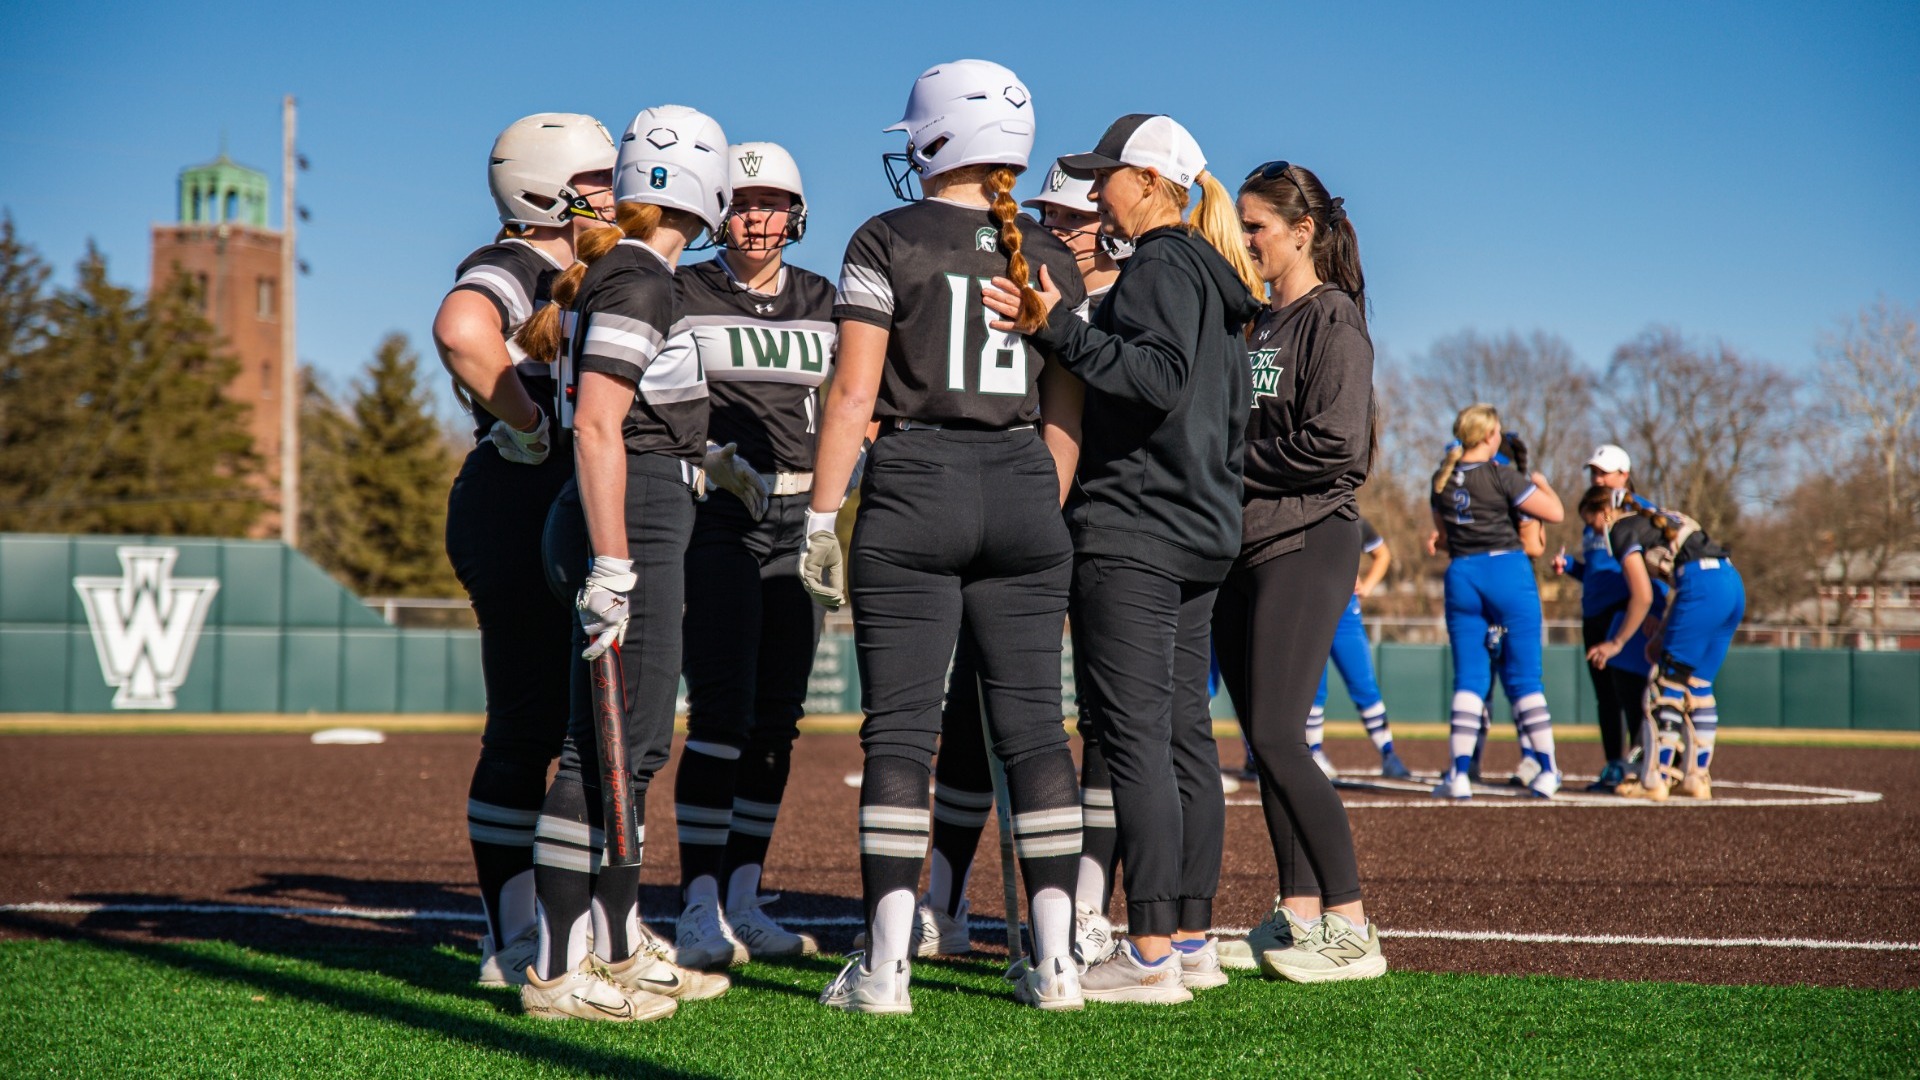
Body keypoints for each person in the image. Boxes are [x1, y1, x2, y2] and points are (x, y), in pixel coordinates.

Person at [801, 59, 1090, 1014]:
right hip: (1020, 485)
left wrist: (818, 511)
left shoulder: (886, 237)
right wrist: (1028, 499)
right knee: (1036, 734)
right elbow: (1065, 412)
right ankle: (1055, 962)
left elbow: (853, 395)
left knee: (900, 733)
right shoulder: (1048, 252)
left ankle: (886, 967)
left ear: (932, 136)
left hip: (915, 485)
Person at [983, 113, 1261, 1002]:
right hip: (1200, 529)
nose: (1097, 191)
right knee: (1184, 740)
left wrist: (1056, 325)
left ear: (1148, 180)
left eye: (1109, 176)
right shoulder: (1216, 275)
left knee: (1138, 739)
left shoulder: (1162, 262)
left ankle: (1146, 953)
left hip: (1137, 530)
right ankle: (1186, 938)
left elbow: (1153, 380)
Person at [511, 104, 736, 1022]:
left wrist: (713, 462)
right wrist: (614, 562)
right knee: (601, 748)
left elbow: (630, 413)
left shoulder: (624, 271)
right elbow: (602, 426)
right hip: (627, 513)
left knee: (632, 746)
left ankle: (612, 941)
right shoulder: (640, 277)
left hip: (636, 501)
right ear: (707, 188)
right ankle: (560, 971)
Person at [434, 113, 615, 989]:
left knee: (558, 728)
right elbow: (462, 328)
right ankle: (512, 938)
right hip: (519, 502)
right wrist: (534, 425)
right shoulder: (514, 265)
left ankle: (543, 932)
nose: (616, 194)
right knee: (530, 730)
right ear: (549, 191)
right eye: (601, 178)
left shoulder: (571, 267)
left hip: (538, 503)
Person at [1210, 161, 1386, 983]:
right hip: (1243, 545)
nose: (1246, 241)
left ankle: (1353, 927)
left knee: (1281, 736)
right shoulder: (1256, 323)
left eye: (1256, 227)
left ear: (1301, 232)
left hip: (1309, 541)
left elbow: (1338, 448)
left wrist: (1226, 463)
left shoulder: (1334, 319)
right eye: (1242, 226)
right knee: (1261, 744)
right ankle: (1301, 912)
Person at [668, 141, 837, 968]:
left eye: (771, 203)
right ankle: (698, 902)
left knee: (778, 720)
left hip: (802, 514)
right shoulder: (681, 289)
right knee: (722, 710)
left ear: (795, 212)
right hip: (718, 514)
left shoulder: (823, 297)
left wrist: (840, 495)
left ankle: (743, 895)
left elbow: (857, 401)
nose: (755, 217)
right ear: (716, 211)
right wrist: (703, 461)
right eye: (740, 202)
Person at [1426, 404, 1565, 802]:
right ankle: (1547, 770)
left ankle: (1459, 775)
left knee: (1469, 679)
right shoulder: (1503, 475)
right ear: (1489, 437)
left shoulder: (1440, 480)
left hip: (1462, 577)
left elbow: (1446, 540)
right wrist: (1542, 483)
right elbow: (1553, 513)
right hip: (1507, 572)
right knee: (1524, 679)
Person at [1581, 486, 1744, 800]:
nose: (1595, 532)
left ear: (1604, 513)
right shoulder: (1658, 520)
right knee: (1698, 685)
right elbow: (1687, 576)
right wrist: (1659, 635)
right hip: (1731, 584)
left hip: (1701, 587)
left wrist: (1615, 643)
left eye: (1593, 524)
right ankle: (1696, 778)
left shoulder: (1620, 528)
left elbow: (1642, 595)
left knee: (1662, 687)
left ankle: (1654, 778)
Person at [1552, 444, 1640, 791]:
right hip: (1594, 615)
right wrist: (1571, 567)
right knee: (1605, 696)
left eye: (1604, 472)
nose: (1597, 478)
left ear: (1624, 476)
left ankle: (1643, 763)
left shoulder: (1633, 516)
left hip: (1625, 613)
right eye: (1594, 472)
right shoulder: (1593, 522)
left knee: (1632, 692)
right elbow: (1597, 573)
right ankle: (1615, 765)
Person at [1302, 516, 1411, 782]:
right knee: (1315, 689)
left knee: (1364, 686)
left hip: (1346, 613)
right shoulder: (1304, 516)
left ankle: (1389, 755)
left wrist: (1368, 585)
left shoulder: (1354, 519)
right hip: (1309, 608)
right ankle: (1315, 754)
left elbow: (1382, 555)